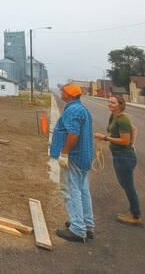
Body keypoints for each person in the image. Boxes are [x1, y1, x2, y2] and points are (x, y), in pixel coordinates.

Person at [51, 84, 95, 243]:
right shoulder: (80, 108)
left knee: (70, 190)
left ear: (68, 94)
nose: (61, 91)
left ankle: (77, 229)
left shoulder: (73, 110)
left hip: (74, 157)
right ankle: (86, 224)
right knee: (83, 190)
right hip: (83, 156)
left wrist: (64, 153)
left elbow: (73, 135)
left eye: (63, 90)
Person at [93, 95, 142, 225]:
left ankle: (136, 215)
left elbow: (124, 140)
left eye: (113, 102)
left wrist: (105, 138)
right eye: (109, 102)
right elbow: (134, 129)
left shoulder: (122, 119)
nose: (109, 104)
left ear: (120, 105)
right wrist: (132, 144)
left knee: (128, 186)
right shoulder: (114, 117)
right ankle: (133, 211)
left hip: (124, 157)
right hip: (120, 156)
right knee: (125, 185)